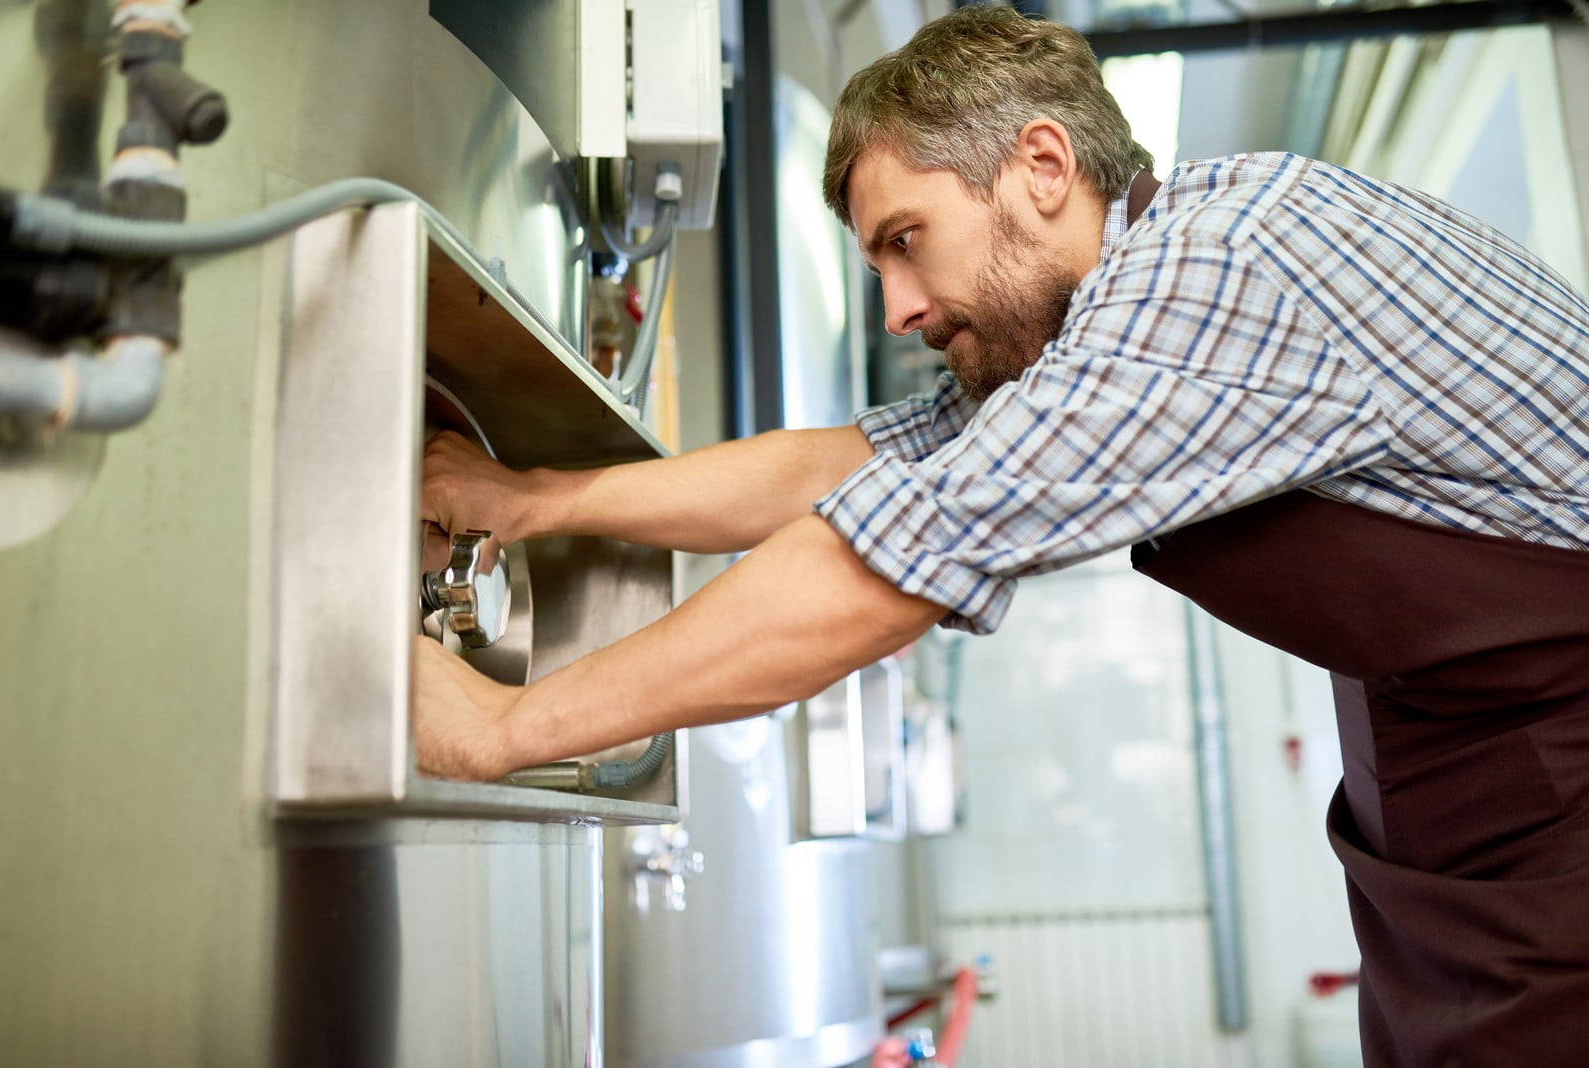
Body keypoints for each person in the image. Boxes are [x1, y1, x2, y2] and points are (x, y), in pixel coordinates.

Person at [415, 6, 1589, 1064]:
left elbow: (886, 561)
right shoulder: (1118, 302)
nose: (898, 311)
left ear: (1039, 163)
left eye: (906, 240)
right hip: (1465, 824)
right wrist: (542, 499)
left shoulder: (1213, 275)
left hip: (1556, 810)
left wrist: (504, 729)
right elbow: (847, 464)